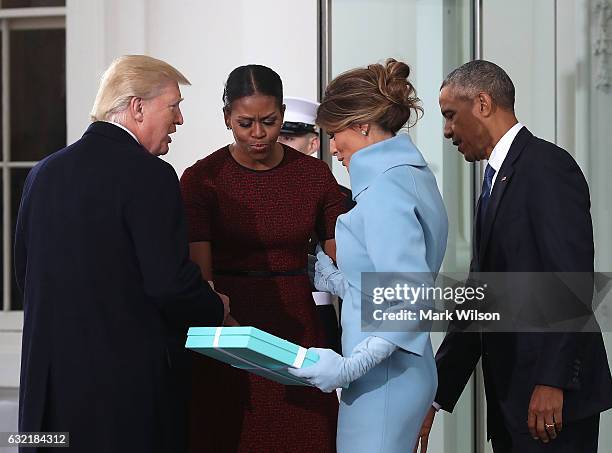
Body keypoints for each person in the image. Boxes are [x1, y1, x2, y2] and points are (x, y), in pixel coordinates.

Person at [14, 55, 229, 453]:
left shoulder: (42, 173)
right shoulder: (150, 175)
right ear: (137, 106)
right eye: (174, 106)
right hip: (121, 401)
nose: (179, 119)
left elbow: (26, 276)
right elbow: (168, 284)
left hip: (48, 400)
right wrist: (215, 307)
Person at [416, 60, 612, 453]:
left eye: (451, 115)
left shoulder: (546, 167)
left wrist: (552, 381)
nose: (447, 130)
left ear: (483, 104)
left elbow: (569, 279)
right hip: (513, 402)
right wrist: (435, 394)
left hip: (551, 403)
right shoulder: (494, 182)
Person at [179, 64, 346, 452]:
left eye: (269, 122)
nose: (258, 134)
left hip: (298, 327)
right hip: (227, 328)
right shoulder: (202, 178)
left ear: (283, 115)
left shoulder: (314, 176)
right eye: (245, 123)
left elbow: (342, 256)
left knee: (308, 436)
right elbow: (200, 276)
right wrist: (230, 332)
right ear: (226, 119)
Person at [289, 59, 448, 453]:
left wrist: (347, 368)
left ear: (361, 126)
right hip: (394, 370)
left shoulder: (385, 190)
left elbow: (411, 301)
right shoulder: (407, 175)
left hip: (385, 376)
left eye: (334, 133)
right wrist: (335, 280)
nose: (333, 147)